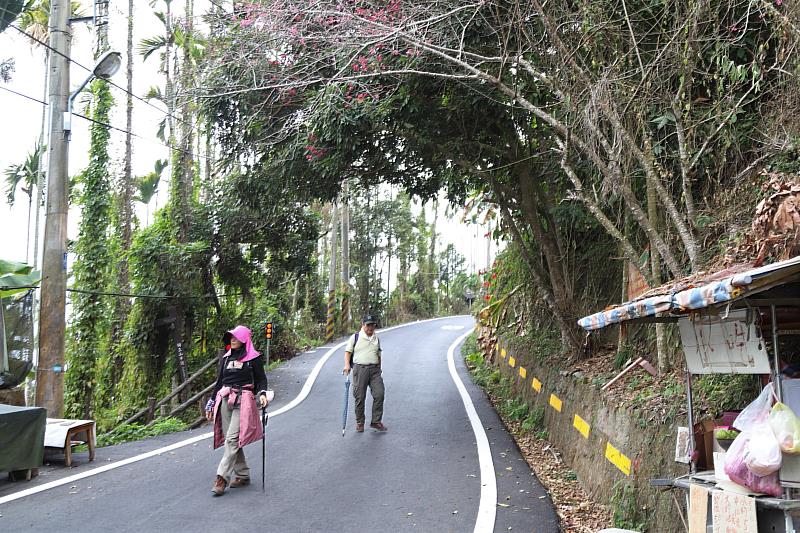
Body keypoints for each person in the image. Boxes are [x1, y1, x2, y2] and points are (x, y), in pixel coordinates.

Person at [205, 325, 269, 496]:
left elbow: (261, 380)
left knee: (232, 439)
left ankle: (221, 478)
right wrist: (211, 402)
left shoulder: (253, 359)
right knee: (230, 439)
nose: (232, 340)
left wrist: (262, 393)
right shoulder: (226, 359)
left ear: (244, 339)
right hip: (225, 398)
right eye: (230, 337)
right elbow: (219, 382)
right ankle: (243, 474)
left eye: (235, 337)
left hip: (244, 400)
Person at [343, 314, 387, 432]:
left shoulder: (376, 338)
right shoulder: (355, 337)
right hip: (360, 369)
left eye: (372, 325)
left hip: (374, 370)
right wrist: (347, 365)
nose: (370, 328)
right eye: (368, 325)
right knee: (360, 397)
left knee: (379, 394)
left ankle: (376, 421)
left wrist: (379, 368)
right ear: (363, 325)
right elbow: (348, 352)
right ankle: (360, 422)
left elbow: (378, 354)